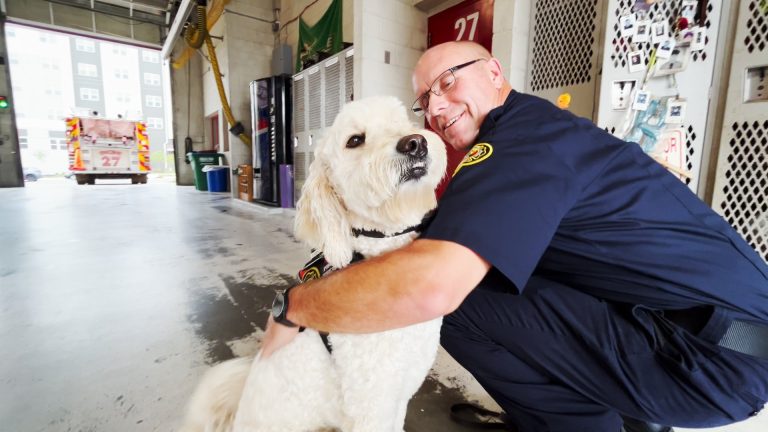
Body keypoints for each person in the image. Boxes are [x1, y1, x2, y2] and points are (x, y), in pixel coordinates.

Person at [260, 41, 768, 432]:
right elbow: (429, 235)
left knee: (449, 300)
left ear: (495, 73)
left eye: (447, 81)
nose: (436, 106)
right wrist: (322, 265)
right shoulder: (534, 134)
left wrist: (296, 305)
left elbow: (428, 283)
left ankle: (579, 421)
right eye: (425, 99)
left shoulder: (517, 148)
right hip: (721, 342)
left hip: (706, 363)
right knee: (484, 269)